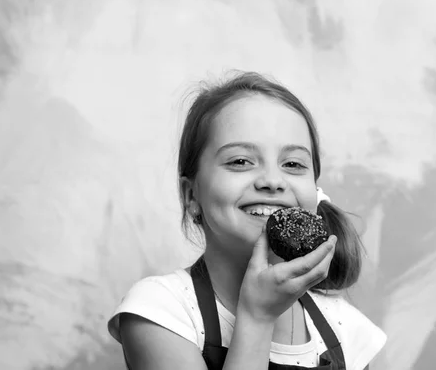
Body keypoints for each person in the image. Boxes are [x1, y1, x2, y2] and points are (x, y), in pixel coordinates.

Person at [107, 72, 387, 370]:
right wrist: (257, 317)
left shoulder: (347, 331)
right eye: (240, 161)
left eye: (293, 164)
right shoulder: (162, 311)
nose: (272, 181)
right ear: (192, 196)